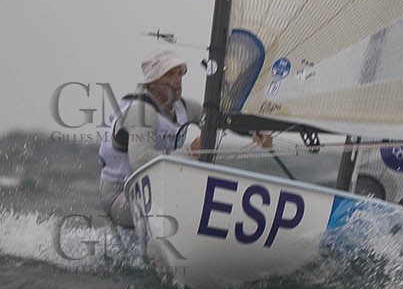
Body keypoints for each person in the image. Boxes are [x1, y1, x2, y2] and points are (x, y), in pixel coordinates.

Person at [96, 49, 271, 228]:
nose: (177, 80)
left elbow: (220, 119)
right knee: (184, 197)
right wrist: (189, 152)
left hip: (158, 192)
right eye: (169, 75)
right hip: (121, 198)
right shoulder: (141, 112)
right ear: (152, 82)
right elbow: (141, 160)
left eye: (180, 74)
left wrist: (254, 132)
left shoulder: (184, 108)